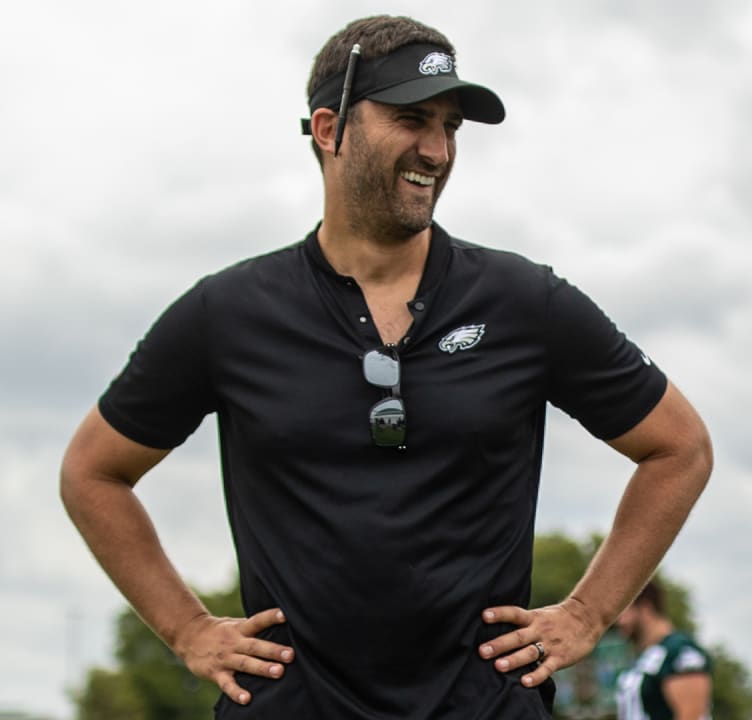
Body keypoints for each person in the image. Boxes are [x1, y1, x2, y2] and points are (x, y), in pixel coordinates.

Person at [59, 15, 712, 719]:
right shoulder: (229, 314)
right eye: (411, 119)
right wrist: (188, 631)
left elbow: (679, 448)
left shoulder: (525, 302)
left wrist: (587, 613)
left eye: (451, 125)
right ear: (328, 129)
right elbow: (92, 472)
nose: (435, 150)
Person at [614, 580, 713, 720]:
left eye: (624, 611)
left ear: (645, 607)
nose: (619, 620)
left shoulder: (679, 650)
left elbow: (691, 715)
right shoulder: (644, 657)